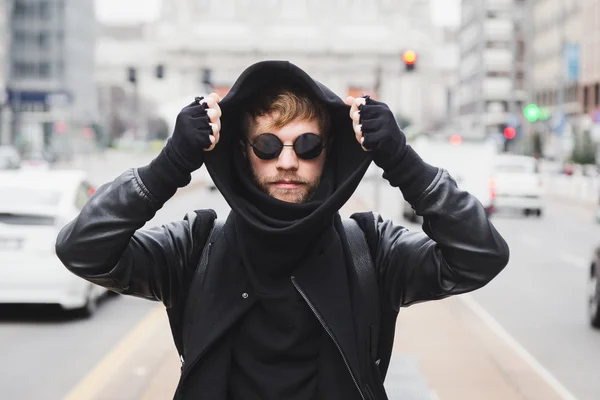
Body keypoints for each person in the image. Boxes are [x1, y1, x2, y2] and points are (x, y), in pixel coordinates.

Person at [55, 60, 509, 400]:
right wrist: (168, 166)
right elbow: (83, 250)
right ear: (243, 152)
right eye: (268, 145)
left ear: (328, 153)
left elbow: (478, 257)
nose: (287, 162)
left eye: (307, 146)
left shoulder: (371, 250)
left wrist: (404, 163)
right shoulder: (196, 248)